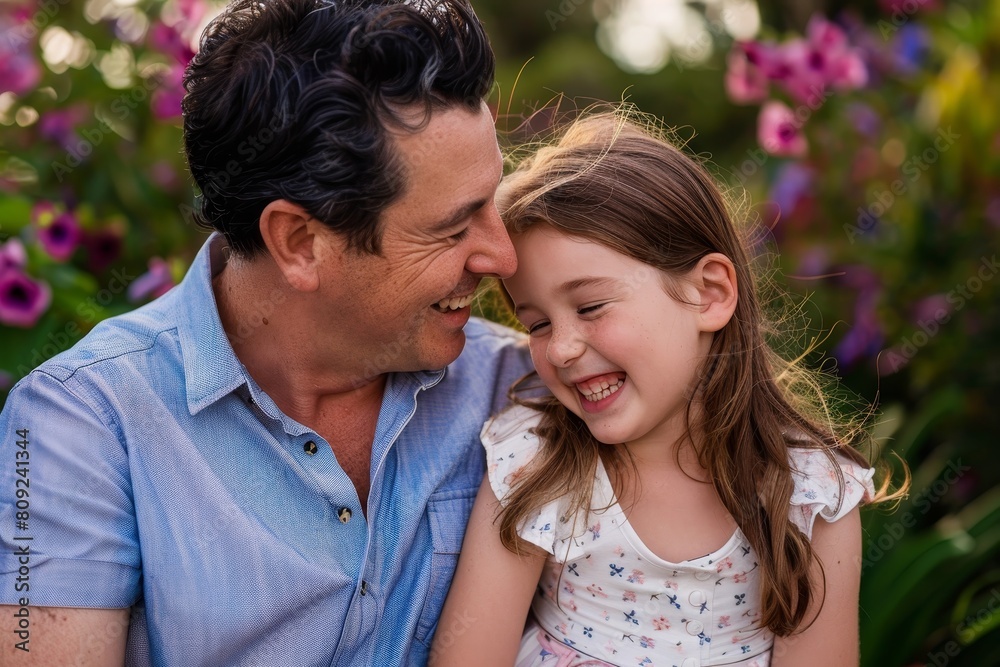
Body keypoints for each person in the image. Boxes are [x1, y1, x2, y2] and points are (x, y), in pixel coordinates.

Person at [0, 0, 532, 664]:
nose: (502, 258)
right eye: (454, 228)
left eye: (494, 201)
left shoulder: (524, 390)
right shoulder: (83, 424)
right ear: (299, 241)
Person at [430, 111, 907, 666]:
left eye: (591, 307)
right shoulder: (535, 464)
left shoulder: (807, 496)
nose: (560, 348)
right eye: (537, 323)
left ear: (708, 293)